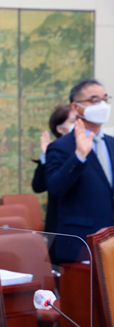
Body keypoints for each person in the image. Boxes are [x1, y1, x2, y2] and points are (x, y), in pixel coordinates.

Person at [46, 78, 114, 263]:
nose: (102, 105)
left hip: (111, 243)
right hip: (81, 246)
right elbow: (55, 188)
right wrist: (79, 157)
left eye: (104, 99)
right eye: (94, 100)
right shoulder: (61, 147)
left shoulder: (111, 143)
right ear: (76, 107)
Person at [31, 104, 76, 236]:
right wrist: (45, 155)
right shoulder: (55, 152)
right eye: (73, 121)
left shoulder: (93, 148)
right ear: (60, 129)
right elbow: (38, 186)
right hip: (60, 226)